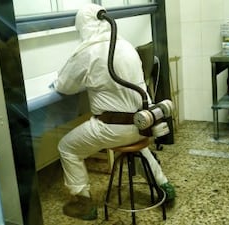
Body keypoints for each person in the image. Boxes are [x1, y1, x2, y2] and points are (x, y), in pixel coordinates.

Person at [51, 3, 175, 220]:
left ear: (83, 26)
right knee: (136, 141)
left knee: (67, 148)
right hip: (144, 123)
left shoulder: (88, 52)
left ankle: (83, 203)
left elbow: (64, 86)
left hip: (112, 128)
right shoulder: (125, 45)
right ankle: (163, 183)